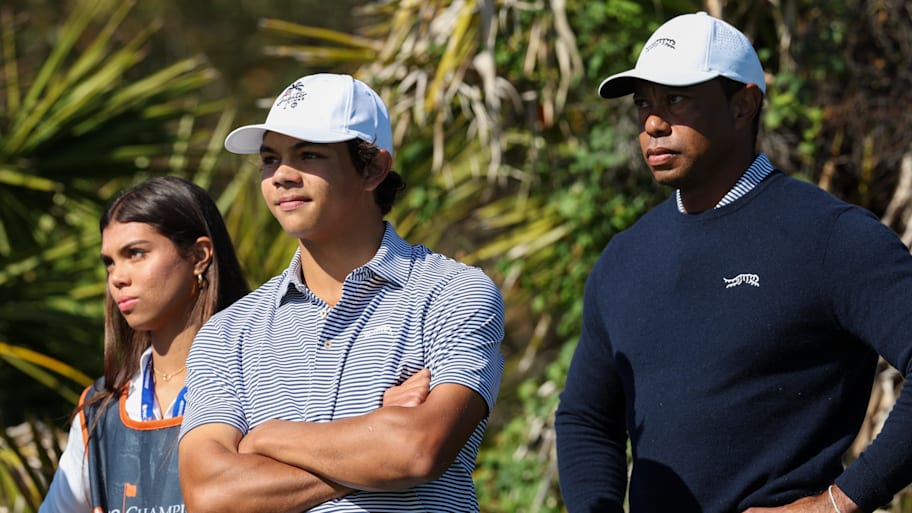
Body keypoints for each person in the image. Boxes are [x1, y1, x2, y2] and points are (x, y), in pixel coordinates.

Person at [555, 11, 912, 513]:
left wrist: (840, 502)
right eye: (644, 104)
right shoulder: (623, 259)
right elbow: (586, 418)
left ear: (744, 105)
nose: (653, 123)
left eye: (676, 99)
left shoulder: (831, 237)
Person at [177, 72, 505, 512]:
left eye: (308, 154)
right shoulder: (227, 333)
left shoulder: (454, 293)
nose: (281, 176)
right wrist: (375, 435)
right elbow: (210, 496)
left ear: (373, 168)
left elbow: (418, 451)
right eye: (270, 159)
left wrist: (265, 438)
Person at [38, 176, 250, 512]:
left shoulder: (261, 384)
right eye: (109, 262)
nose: (117, 277)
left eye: (135, 253)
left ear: (199, 255)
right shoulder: (99, 410)